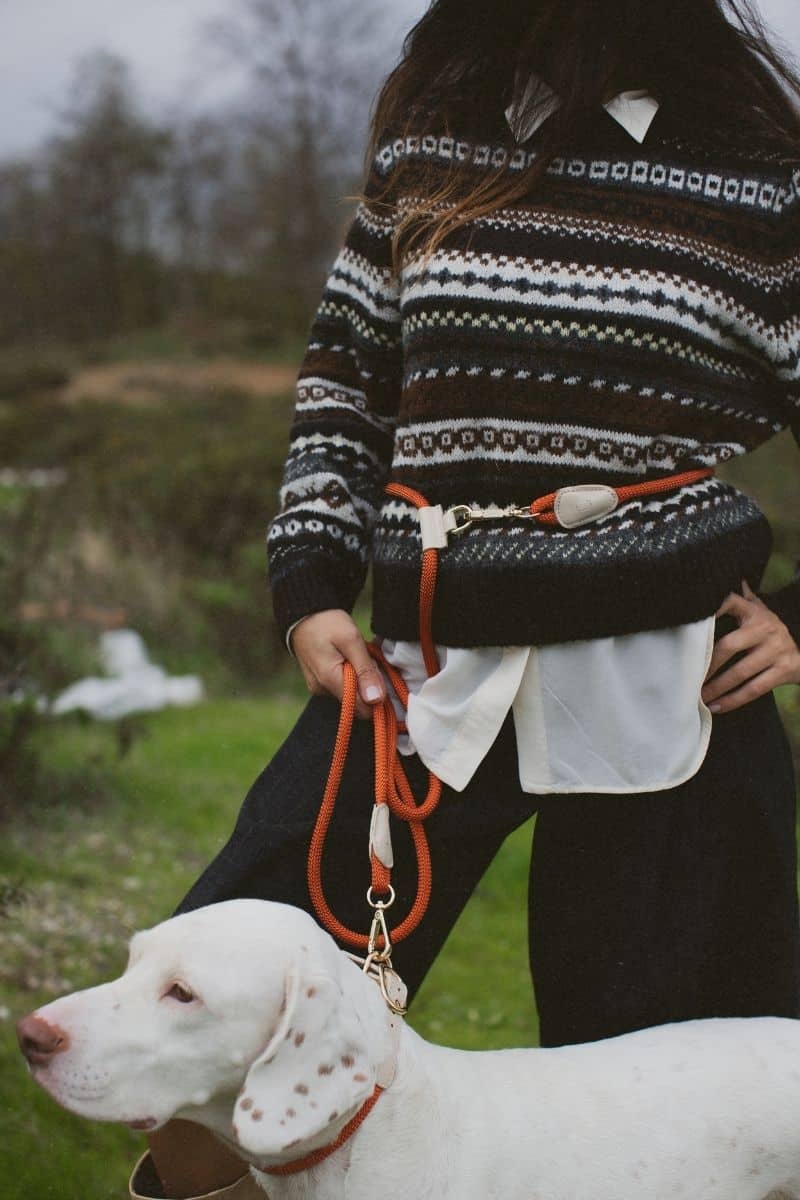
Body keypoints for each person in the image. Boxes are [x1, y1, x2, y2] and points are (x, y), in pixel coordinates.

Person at [132, 1, 800, 1195]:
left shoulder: (760, 180)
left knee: (665, 1102)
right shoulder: (430, 147)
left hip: (676, 699)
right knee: (214, 1021)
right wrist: (308, 589)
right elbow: (345, 386)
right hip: (419, 675)